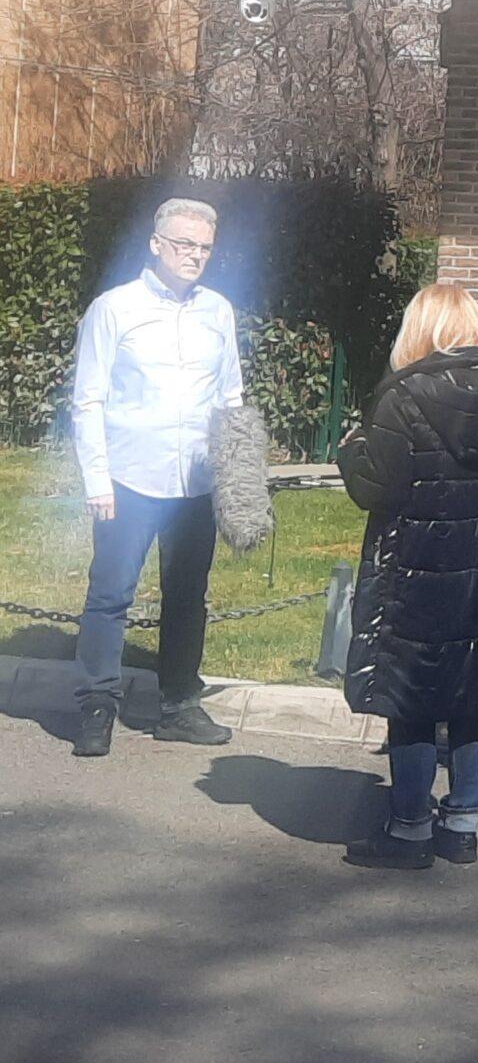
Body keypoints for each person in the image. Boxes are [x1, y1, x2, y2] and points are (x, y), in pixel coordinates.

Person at [334, 285, 478, 869]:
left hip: (415, 572)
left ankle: (409, 830)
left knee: (413, 701)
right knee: (475, 700)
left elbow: (380, 489)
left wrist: (352, 453)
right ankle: (463, 826)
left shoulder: (403, 397)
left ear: (418, 330)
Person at [67, 197, 244, 758]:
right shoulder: (114, 309)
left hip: (196, 483)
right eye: (184, 244)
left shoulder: (219, 311)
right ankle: (97, 704)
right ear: (156, 245)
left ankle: (179, 705)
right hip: (129, 479)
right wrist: (97, 480)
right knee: (110, 594)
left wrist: (238, 483)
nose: (195, 255)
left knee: (188, 596)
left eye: (204, 247)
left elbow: (231, 397)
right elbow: (88, 400)